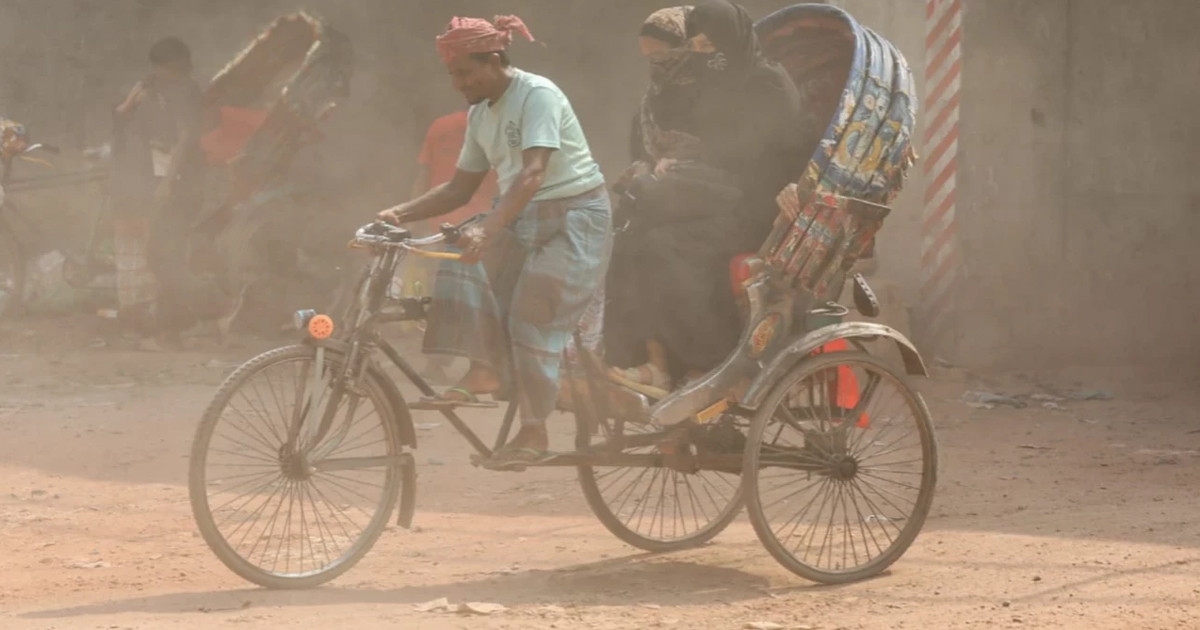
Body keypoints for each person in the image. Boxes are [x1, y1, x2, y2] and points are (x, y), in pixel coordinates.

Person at [378, 15, 611, 469]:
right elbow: (457, 189)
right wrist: (396, 214)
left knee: (530, 316)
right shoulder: (480, 113)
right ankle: (483, 368)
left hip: (576, 216)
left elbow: (533, 173)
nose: (458, 83)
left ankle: (535, 431)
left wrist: (488, 229)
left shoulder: (537, 94)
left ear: (496, 60)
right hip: (522, 213)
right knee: (455, 257)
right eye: (452, 74)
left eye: (466, 72)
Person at [604, 1, 806, 392]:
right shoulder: (715, 83)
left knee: (669, 245)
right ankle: (649, 361)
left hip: (759, 207)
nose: (703, 56)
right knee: (635, 233)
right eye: (696, 47)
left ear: (731, 40)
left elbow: (784, 150)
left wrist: (794, 184)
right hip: (721, 196)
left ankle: (708, 363)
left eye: (710, 46)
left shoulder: (767, 83)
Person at [111, 36, 206, 350]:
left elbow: (184, 138)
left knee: (164, 254)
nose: (157, 73)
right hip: (163, 181)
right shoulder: (157, 90)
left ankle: (178, 328)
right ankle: (186, 322)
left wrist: (167, 182)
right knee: (162, 254)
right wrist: (128, 105)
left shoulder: (186, 92)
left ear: (174, 66)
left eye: (162, 67)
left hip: (181, 183)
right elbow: (128, 126)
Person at [407, 111, 499, 383]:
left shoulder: (441, 126)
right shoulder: (497, 130)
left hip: (443, 226)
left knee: (443, 298)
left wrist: (413, 217)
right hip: (482, 228)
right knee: (479, 297)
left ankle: (437, 363)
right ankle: (481, 364)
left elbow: (422, 177)